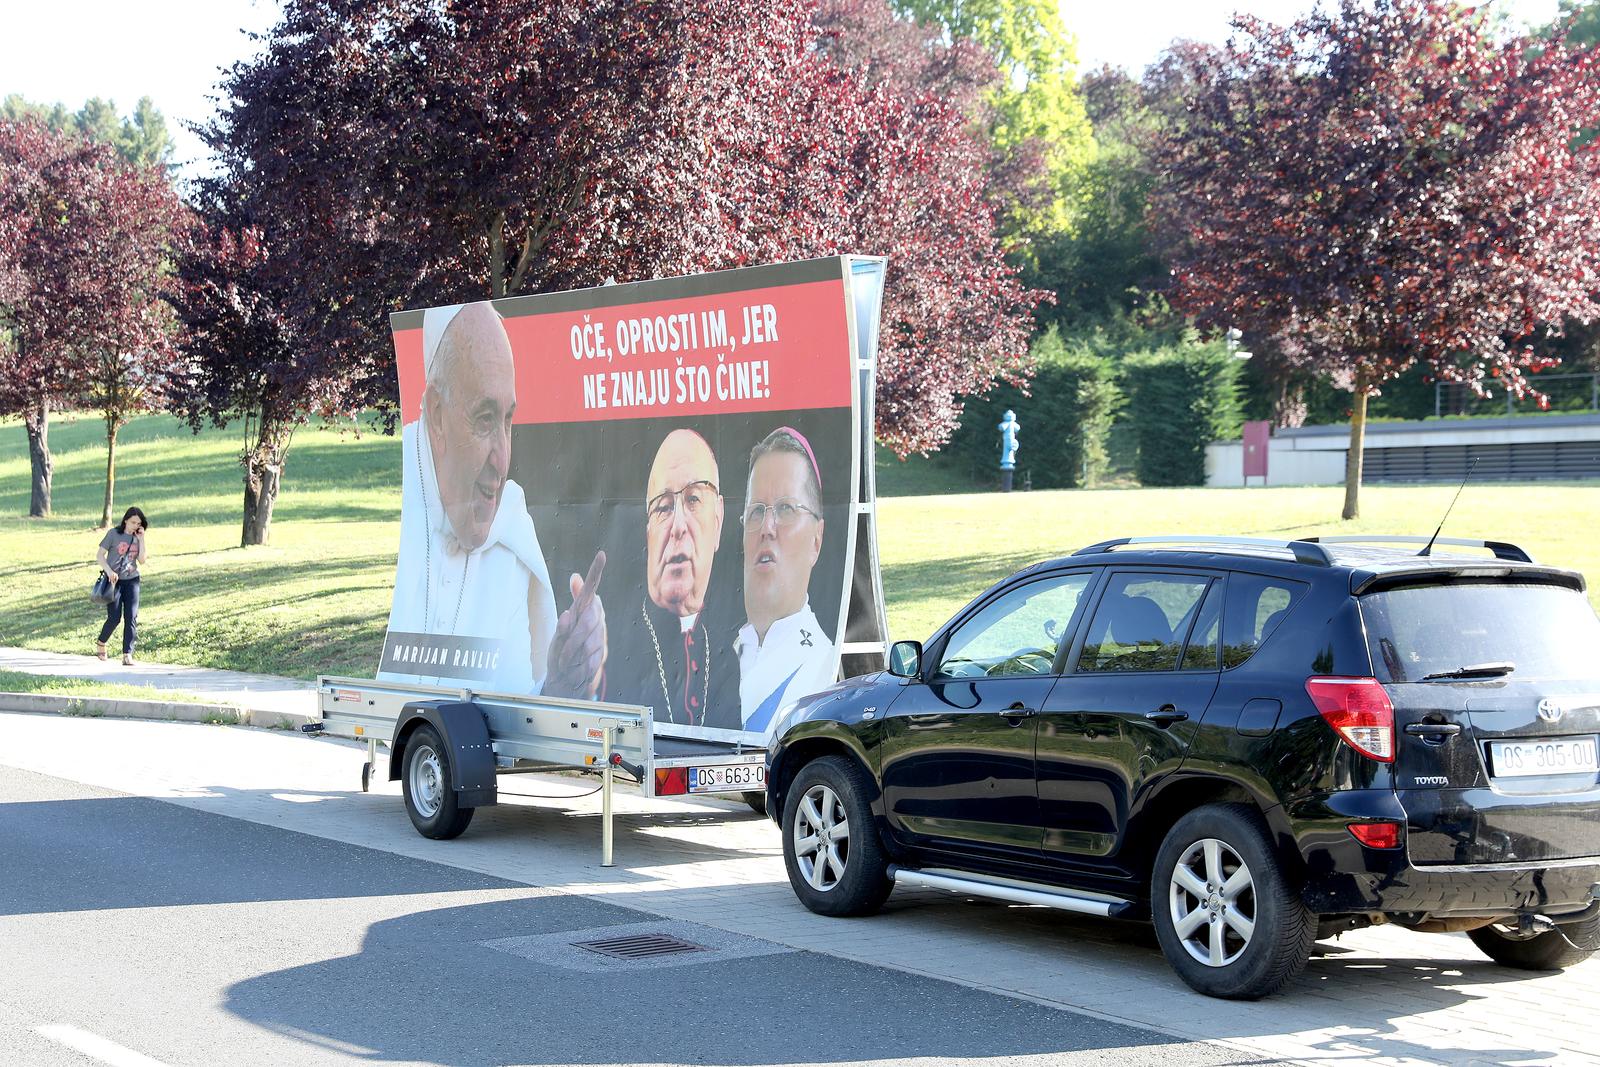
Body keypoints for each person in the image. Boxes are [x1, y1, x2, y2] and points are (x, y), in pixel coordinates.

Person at [382, 300, 605, 697]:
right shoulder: (393, 510)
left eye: (507, 421)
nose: (502, 461)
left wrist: (559, 683)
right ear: (435, 415)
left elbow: (516, 712)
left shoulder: (512, 532)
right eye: (485, 420)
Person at [615, 428, 739, 729]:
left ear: (718, 521)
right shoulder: (615, 648)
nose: (678, 526)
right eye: (664, 507)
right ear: (648, 534)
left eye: (694, 499)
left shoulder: (726, 657)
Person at [735, 428, 837, 732]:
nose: (767, 527)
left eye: (785, 509)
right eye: (755, 511)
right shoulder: (718, 653)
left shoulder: (825, 668)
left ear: (816, 540)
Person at [96, 506, 148, 666]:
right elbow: (100, 555)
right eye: (133, 522)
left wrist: (141, 539)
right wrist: (109, 571)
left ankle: (127, 654)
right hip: (114, 581)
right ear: (126, 520)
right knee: (114, 618)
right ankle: (101, 642)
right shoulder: (113, 534)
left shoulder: (137, 537)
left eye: (138, 523)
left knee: (131, 617)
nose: (135, 526)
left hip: (132, 580)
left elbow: (142, 560)